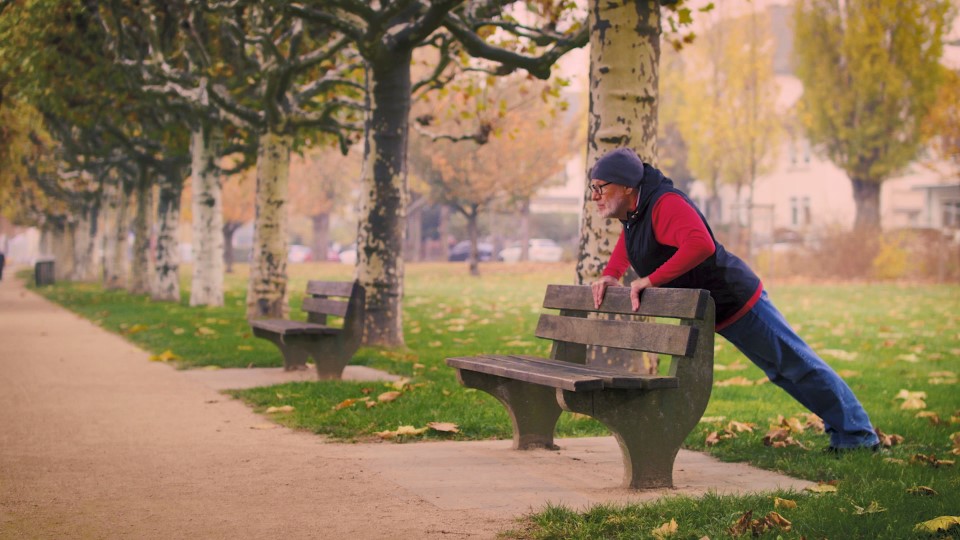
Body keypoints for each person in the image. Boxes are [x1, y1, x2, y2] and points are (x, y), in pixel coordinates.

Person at [588, 147, 880, 452]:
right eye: (592, 188)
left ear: (627, 186)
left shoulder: (664, 204)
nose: (595, 196)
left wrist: (650, 280)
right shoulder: (636, 214)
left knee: (795, 364)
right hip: (718, 308)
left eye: (600, 187)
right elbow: (631, 241)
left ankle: (858, 435)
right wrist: (612, 273)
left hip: (737, 298)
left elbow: (700, 245)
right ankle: (845, 430)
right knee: (783, 371)